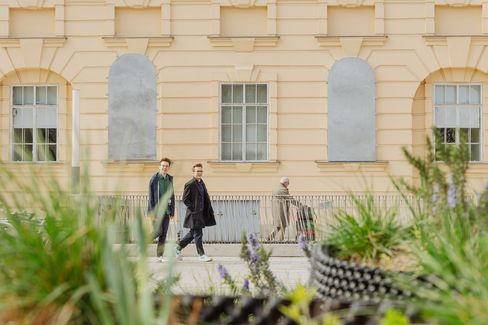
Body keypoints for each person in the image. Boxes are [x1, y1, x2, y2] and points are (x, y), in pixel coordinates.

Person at [176, 163, 216, 262]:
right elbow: (185, 199)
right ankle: (201, 255)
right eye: (197, 171)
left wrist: (208, 209)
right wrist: (194, 209)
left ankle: (177, 248)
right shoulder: (190, 184)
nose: (199, 173)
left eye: (201, 171)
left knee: (191, 234)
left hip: (201, 214)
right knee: (198, 234)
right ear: (193, 172)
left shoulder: (201, 182)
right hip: (194, 214)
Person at [148, 157, 175, 262]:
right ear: (159, 166)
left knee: (163, 234)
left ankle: (160, 256)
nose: (165, 167)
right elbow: (151, 197)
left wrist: (172, 210)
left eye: (167, 166)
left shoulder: (169, 179)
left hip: (166, 211)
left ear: (169, 168)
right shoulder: (154, 179)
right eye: (163, 165)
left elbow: (172, 195)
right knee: (158, 231)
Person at [268, 176, 299, 241]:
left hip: (276, 208)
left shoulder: (275, 188)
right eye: (288, 183)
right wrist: (300, 205)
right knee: (282, 225)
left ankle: (271, 237)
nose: (288, 184)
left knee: (279, 225)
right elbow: (290, 199)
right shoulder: (283, 189)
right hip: (282, 209)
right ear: (285, 182)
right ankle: (279, 239)